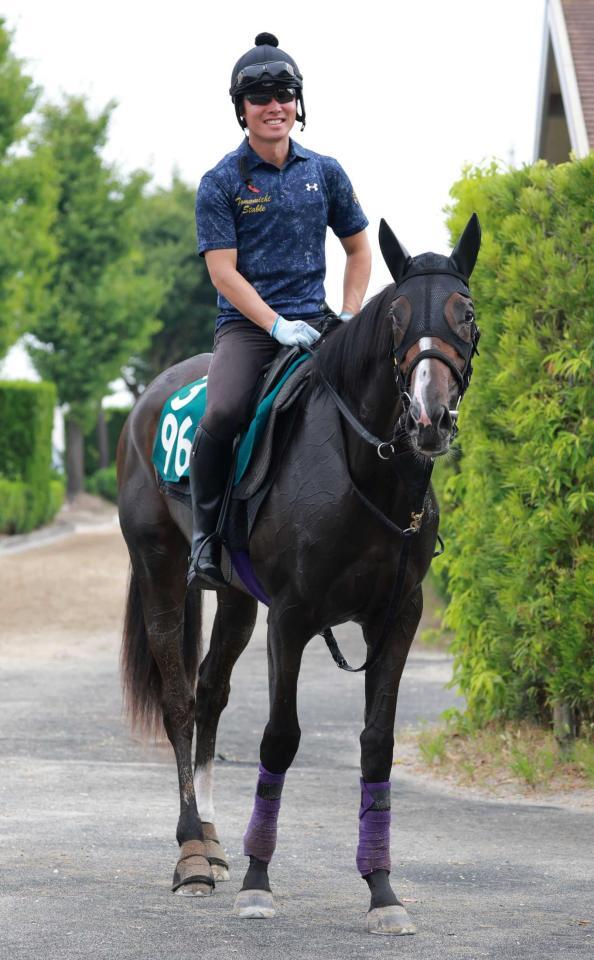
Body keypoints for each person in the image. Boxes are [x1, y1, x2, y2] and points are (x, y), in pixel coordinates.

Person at [189, 31, 371, 588]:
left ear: (298, 102)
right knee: (221, 414)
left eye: (285, 94)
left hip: (317, 323)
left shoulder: (327, 171)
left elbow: (359, 249)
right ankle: (204, 539)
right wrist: (274, 324)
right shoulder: (221, 182)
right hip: (248, 330)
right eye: (261, 98)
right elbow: (223, 272)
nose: (275, 107)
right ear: (241, 110)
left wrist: (346, 312)